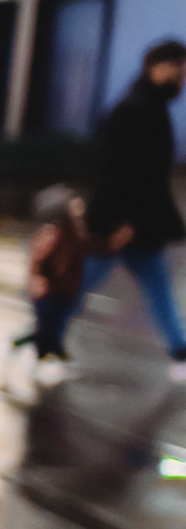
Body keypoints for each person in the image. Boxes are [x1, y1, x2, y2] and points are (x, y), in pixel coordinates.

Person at [81, 38, 186, 381]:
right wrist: (122, 221)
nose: (181, 79)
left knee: (158, 286)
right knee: (79, 282)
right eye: (178, 70)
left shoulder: (151, 107)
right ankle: (40, 339)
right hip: (121, 224)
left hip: (141, 223)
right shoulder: (134, 109)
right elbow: (114, 170)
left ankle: (181, 353)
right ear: (158, 67)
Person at [23, 184, 119, 386]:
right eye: (74, 205)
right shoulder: (52, 234)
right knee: (48, 329)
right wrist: (37, 280)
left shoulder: (77, 232)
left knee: (53, 328)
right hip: (48, 293)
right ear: (63, 212)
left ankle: (43, 359)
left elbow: (92, 246)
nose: (80, 207)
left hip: (65, 292)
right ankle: (40, 366)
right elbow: (37, 260)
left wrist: (113, 243)